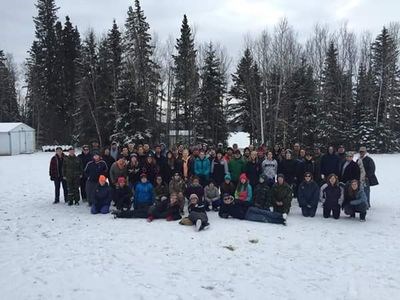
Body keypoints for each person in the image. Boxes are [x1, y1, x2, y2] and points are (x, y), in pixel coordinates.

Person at [219, 194, 286, 225]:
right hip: (246, 216)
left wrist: (254, 204)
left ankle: (280, 215)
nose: (227, 200)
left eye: (228, 198)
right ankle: (280, 221)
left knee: (264, 212)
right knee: (263, 218)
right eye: (225, 199)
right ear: (223, 200)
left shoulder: (236, 201)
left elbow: (245, 203)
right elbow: (220, 213)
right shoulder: (224, 207)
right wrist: (224, 215)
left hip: (249, 209)